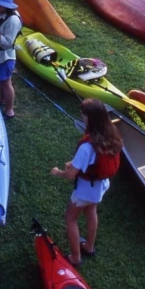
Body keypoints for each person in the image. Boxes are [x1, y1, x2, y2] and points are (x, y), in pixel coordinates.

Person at [50, 98, 123, 267]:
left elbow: (70, 175)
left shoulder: (87, 146)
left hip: (86, 190)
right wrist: (74, 162)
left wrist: (57, 172)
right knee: (91, 212)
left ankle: (76, 257)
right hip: (101, 186)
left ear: (90, 118)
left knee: (70, 217)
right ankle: (89, 246)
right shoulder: (111, 133)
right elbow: (92, 160)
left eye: (83, 115)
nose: (81, 117)